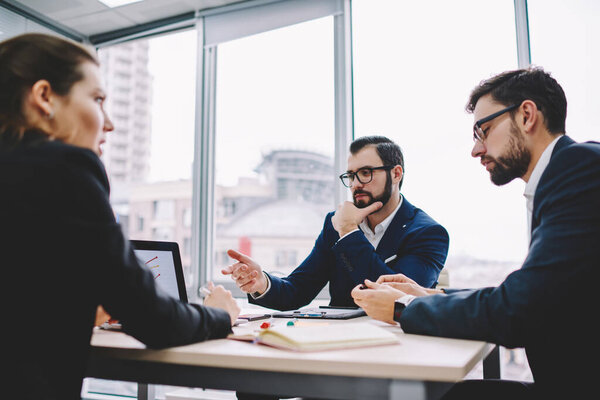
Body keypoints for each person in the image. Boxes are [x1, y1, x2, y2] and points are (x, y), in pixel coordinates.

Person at [0, 33, 240, 400]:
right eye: (97, 100)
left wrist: (69, 308)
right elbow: (155, 321)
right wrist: (220, 315)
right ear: (44, 96)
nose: (108, 123)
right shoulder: (66, 169)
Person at [351, 67, 600, 400]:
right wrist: (430, 296)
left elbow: (520, 311)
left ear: (527, 116)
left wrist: (403, 308)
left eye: (483, 130)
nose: (476, 150)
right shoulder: (568, 173)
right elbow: (532, 293)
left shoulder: (577, 170)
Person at [222, 135, 449, 310]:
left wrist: (349, 232)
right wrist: (261, 282)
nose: (355, 184)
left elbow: (398, 299)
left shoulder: (428, 234)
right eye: (350, 176)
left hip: (397, 349)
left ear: (396, 174)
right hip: (335, 345)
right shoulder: (335, 224)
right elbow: (298, 290)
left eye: (366, 173)